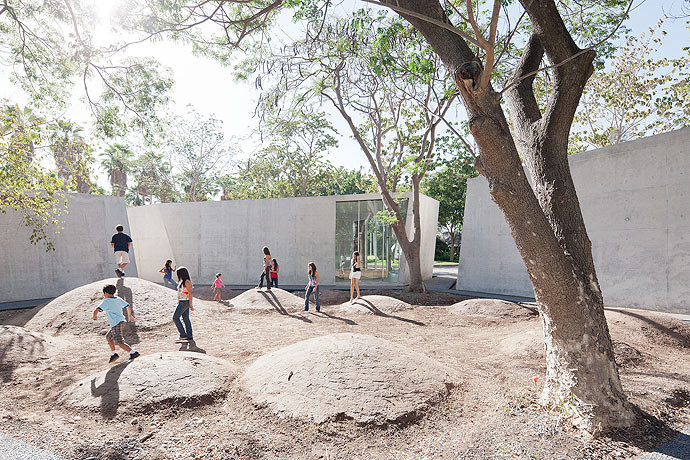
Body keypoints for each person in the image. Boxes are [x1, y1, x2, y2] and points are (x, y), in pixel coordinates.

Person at [92, 284, 140, 363]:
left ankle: (133, 352)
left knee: (120, 342)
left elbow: (96, 310)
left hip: (116, 323)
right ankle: (113, 354)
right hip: (120, 322)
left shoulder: (106, 301)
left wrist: (95, 316)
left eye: (104, 293)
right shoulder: (118, 299)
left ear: (106, 293)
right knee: (108, 337)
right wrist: (130, 315)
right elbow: (128, 305)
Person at [173, 266, 194, 342]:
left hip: (184, 302)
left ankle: (183, 335)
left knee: (175, 318)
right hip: (182, 301)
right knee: (186, 319)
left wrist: (191, 304)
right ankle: (189, 336)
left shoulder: (187, 282)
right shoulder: (182, 281)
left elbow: (190, 293)